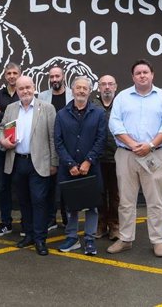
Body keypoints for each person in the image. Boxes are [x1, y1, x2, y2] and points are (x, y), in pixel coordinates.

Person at [108, 59, 162, 257]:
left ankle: (158, 241)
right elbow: (115, 124)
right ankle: (125, 239)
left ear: (152, 75)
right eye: (138, 73)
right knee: (126, 201)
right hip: (126, 155)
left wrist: (150, 145)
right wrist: (132, 144)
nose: (142, 75)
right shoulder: (122, 97)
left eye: (145, 72)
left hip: (154, 154)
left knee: (155, 201)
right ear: (133, 77)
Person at [0, 76, 57, 256]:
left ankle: (40, 239)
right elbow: (1, 128)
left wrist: (54, 162)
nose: (25, 91)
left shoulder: (47, 108)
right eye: (21, 88)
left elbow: (54, 137)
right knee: (23, 201)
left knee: (39, 201)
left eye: (28, 87)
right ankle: (28, 234)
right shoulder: (10, 108)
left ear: (34, 88)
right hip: (17, 161)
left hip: (39, 162)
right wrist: (3, 141)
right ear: (16, 90)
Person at [54, 76, 106, 256]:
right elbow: (58, 142)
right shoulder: (61, 114)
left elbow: (101, 140)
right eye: (78, 88)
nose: (81, 91)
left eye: (85, 88)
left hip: (91, 168)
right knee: (71, 205)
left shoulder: (99, 113)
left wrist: (87, 161)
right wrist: (70, 164)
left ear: (89, 91)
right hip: (69, 169)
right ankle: (71, 237)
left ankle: (90, 240)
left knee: (92, 206)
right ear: (73, 90)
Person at [38, 65, 72, 230]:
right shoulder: (43, 96)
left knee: (66, 186)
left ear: (63, 77)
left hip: (68, 147)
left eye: (57, 76)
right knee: (50, 186)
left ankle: (67, 220)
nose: (54, 80)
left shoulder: (73, 94)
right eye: (51, 77)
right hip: (48, 147)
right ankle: (50, 219)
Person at [0, 63, 20, 237]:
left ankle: (26, 223)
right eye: (8, 73)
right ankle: (6, 222)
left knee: (22, 186)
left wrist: (2, 114)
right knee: (3, 186)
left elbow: (24, 117)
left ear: (20, 74)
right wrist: (4, 116)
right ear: (5, 76)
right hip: (1, 147)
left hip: (21, 147)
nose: (11, 76)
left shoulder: (24, 92)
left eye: (14, 73)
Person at [94, 74, 119, 241]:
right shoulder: (92, 105)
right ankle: (101, 224)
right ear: (99, 88)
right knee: (100, 193)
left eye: (110, 84)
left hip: (119, 157)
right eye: (103, 84)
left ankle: (115, 225)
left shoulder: (122, 104)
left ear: (115, 87)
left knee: (116, 194)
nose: (107, 87)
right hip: (98, 157)